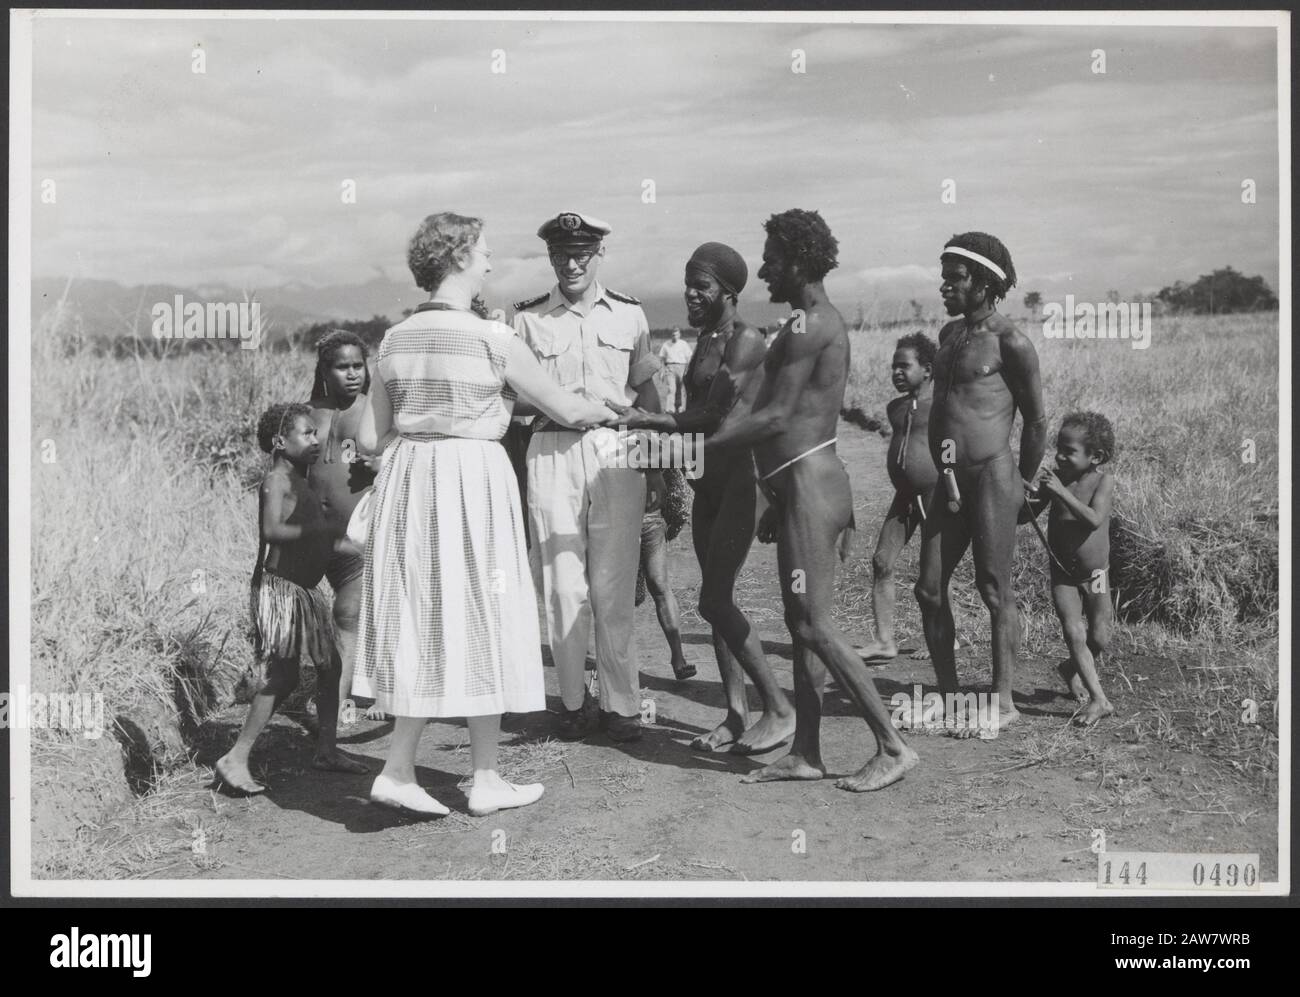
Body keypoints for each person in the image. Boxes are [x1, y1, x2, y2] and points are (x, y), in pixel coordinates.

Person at [352, 212, 616, 817]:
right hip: (473, 481)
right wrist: (616, 411)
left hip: (410, 481)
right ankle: (482, 777)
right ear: (461, 257)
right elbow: (567, 409)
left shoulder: (393, 341)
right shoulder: (493, 339)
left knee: (422, 616)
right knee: (487, 613)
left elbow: (369, 438)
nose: (492, 262)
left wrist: (425, 422)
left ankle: (406, 768)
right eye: (485, 252)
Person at [706, 210, 917, 791]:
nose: (764, 270)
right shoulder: (803, 322)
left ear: (799, 261)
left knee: (814, 624)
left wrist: (702, 444)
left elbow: (777, 415)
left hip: (810, 484)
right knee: (801, 626)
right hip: (797, 485)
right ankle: (806, 752)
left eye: (772, 258)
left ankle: (893, 746)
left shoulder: (814, 324)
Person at [612, 241, 795, 754]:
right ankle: (736, 715)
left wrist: (651, 421)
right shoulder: (707, 337)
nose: (691, 293)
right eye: (688, 284)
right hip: (707, 483)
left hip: (739, 482)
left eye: (702, 286)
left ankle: (779, 709)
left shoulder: (746, 340)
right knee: (717, 604)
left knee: (713, 600)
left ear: (729, 291)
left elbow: (714, 414)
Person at [512, 211, 665, 744]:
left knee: (614, 587)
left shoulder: (630, 314)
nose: (571, 264)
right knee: (562, 587)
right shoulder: (526, 320)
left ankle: (621, 705)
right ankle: (574, 703)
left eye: (580, 254)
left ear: (600, 254)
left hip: (616, 450)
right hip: (551, 449)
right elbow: (510, 401)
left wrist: (657, 464)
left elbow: (645, 393)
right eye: (560, 255)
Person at [915, 232, 1046, 730]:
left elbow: (1036, 421)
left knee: (993, 588)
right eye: (943, 277)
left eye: (955, 277)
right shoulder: (949, 335)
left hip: (992, 475)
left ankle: (1003, 701)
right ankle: (949, 696)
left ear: (985, 282)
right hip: (948, 478)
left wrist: (1024, 485)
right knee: (928, 588)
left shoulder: (1011, 342)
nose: (944, 286)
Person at [215, 403, 368, 795]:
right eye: (307, 434)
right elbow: (271, 531)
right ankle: (236, 757)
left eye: (316, 433)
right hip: (282, 591)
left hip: (304, 593)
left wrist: (347, 544)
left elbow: (319, 535)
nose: (315, 440)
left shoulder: (302, 480)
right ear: (280, 442)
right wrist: (319, 534)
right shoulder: (277, 480)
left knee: (331, 666)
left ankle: (327, 751)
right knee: (283, 677)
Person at [305, 331, 384, 723]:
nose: (352, 374)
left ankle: (339, 701)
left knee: (349, 613)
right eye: (342, 367)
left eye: (358, 366)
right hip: (313, 533)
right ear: (324, 370)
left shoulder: (376, 411)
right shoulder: (306, 414)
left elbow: (400, 456)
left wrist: (381, 464)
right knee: (312, 617)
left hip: (359, 532)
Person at [854, 332, 945, 664]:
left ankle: (943, 637)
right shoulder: (895, 408)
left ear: (927, 369)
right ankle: (884, 641)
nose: (896, 373)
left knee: (935, 571)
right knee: (881, 561)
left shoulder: (943, 407)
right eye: (894, 367)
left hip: (936, 496)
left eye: (904, 366)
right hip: (904, 497)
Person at [1023, 411, 1115, 725]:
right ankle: (1099, 699)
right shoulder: (1056, 481)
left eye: (1069, 451)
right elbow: (1027, 516)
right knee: (1073, 631)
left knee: (1099, 637)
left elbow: (1094, 519)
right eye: (1058, 448)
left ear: (1095, 457)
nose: (1060, 456)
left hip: (1097, 575)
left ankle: (1070, 669)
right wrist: (1027, 494)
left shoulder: (1102, 481)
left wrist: (1059, 492)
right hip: (1063, 573)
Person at [634, 467, 695, 682]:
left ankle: (678, 658)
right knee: (618, 594)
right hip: (615, 519)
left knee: (659, 584)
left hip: (650, 516)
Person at [658, 327, 693, 412]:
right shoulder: (666, 344)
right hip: (670, 367)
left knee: (680, 389)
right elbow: (662, 358)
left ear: (679, 335)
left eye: (676, 334)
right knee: (671, 389)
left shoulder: (683, 344)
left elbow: (689, 357)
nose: (674, 336)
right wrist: (662, 370)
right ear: (671, 335)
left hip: (682, 367)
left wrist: (687, 369)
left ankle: (680, 407)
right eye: (673, 334)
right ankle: (670, 409)